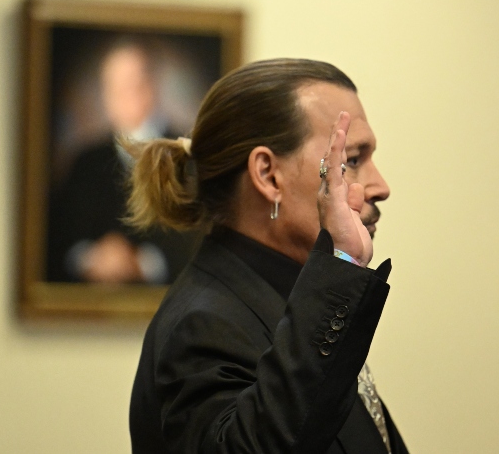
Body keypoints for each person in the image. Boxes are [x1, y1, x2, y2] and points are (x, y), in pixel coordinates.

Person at [128, 58, 408, 453]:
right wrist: (342, 263)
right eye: (352, 160)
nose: (380, 186)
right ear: (268, 175)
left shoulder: (288, 300)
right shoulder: (205, 323)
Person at [47, 41, 199, 283]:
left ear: (152, 85)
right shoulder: (86, 161)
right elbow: (60, 237)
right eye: (115, 86)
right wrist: (91, 258)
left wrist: (142, 263)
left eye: (133, 84)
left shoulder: (187, 155)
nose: (125, 95)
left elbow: (197, 236)